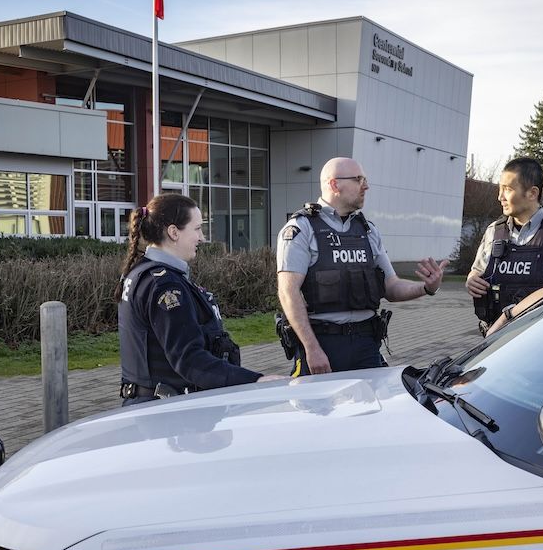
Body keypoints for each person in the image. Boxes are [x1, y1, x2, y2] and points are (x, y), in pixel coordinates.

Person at [277, 157, 448, 375]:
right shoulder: (301, 229)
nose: (366, 186)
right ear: (334, 184)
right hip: (323, 346)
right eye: (359, 180)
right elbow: (288, 293)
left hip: (366, 345)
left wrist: (426, 288)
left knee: (370, 410)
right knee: (317, 409)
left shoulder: (368, 230)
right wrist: (312, 348)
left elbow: (391, 286)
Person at [116, 193, 281, 406]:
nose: (202, 237)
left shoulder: (144, 273)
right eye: (197, 229)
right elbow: (188, 359)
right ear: (174, 232)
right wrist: (255, 380)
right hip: (166, 416)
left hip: (151, 407)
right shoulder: (165, 285)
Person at [466, 157, 543, 333]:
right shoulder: (494, 231)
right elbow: (477, 271)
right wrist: (472, 280)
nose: (499, 197)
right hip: (496, 339)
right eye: (499, 189)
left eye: (507, 189)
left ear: (532, 193)